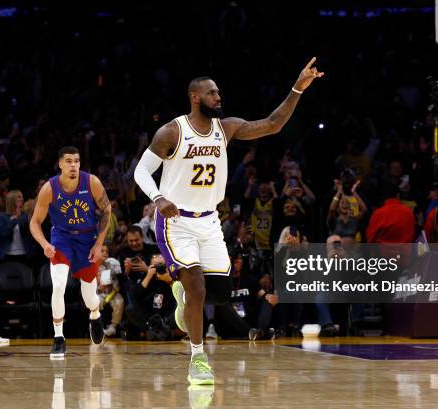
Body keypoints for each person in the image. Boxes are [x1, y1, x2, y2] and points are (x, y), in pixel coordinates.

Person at [134, 57, 324, 384]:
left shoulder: (227, 128)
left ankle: (185, 300)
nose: (218, 97)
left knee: (220, 293)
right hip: (176, 222)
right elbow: (140, 171)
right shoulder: (172, 132)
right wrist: (158, 198)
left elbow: (272, 124)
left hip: (209, 222)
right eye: (212, 93)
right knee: (195, 286)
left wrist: (297, 88)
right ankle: (197, 358)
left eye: (219, 93)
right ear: (195, 97)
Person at [30, 146, 112, 359]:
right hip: (62, 239)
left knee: (90, 298)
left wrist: (98, 244)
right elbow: (35, 222)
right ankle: (59, 338)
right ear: (60, 164)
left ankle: (95, 315)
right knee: (58, 285)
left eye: (76, 161)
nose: (73, 165)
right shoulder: (49, 188)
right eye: (69, 161)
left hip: (87, 239)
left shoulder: (91, 182)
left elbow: (107, 210)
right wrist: (44, 244)